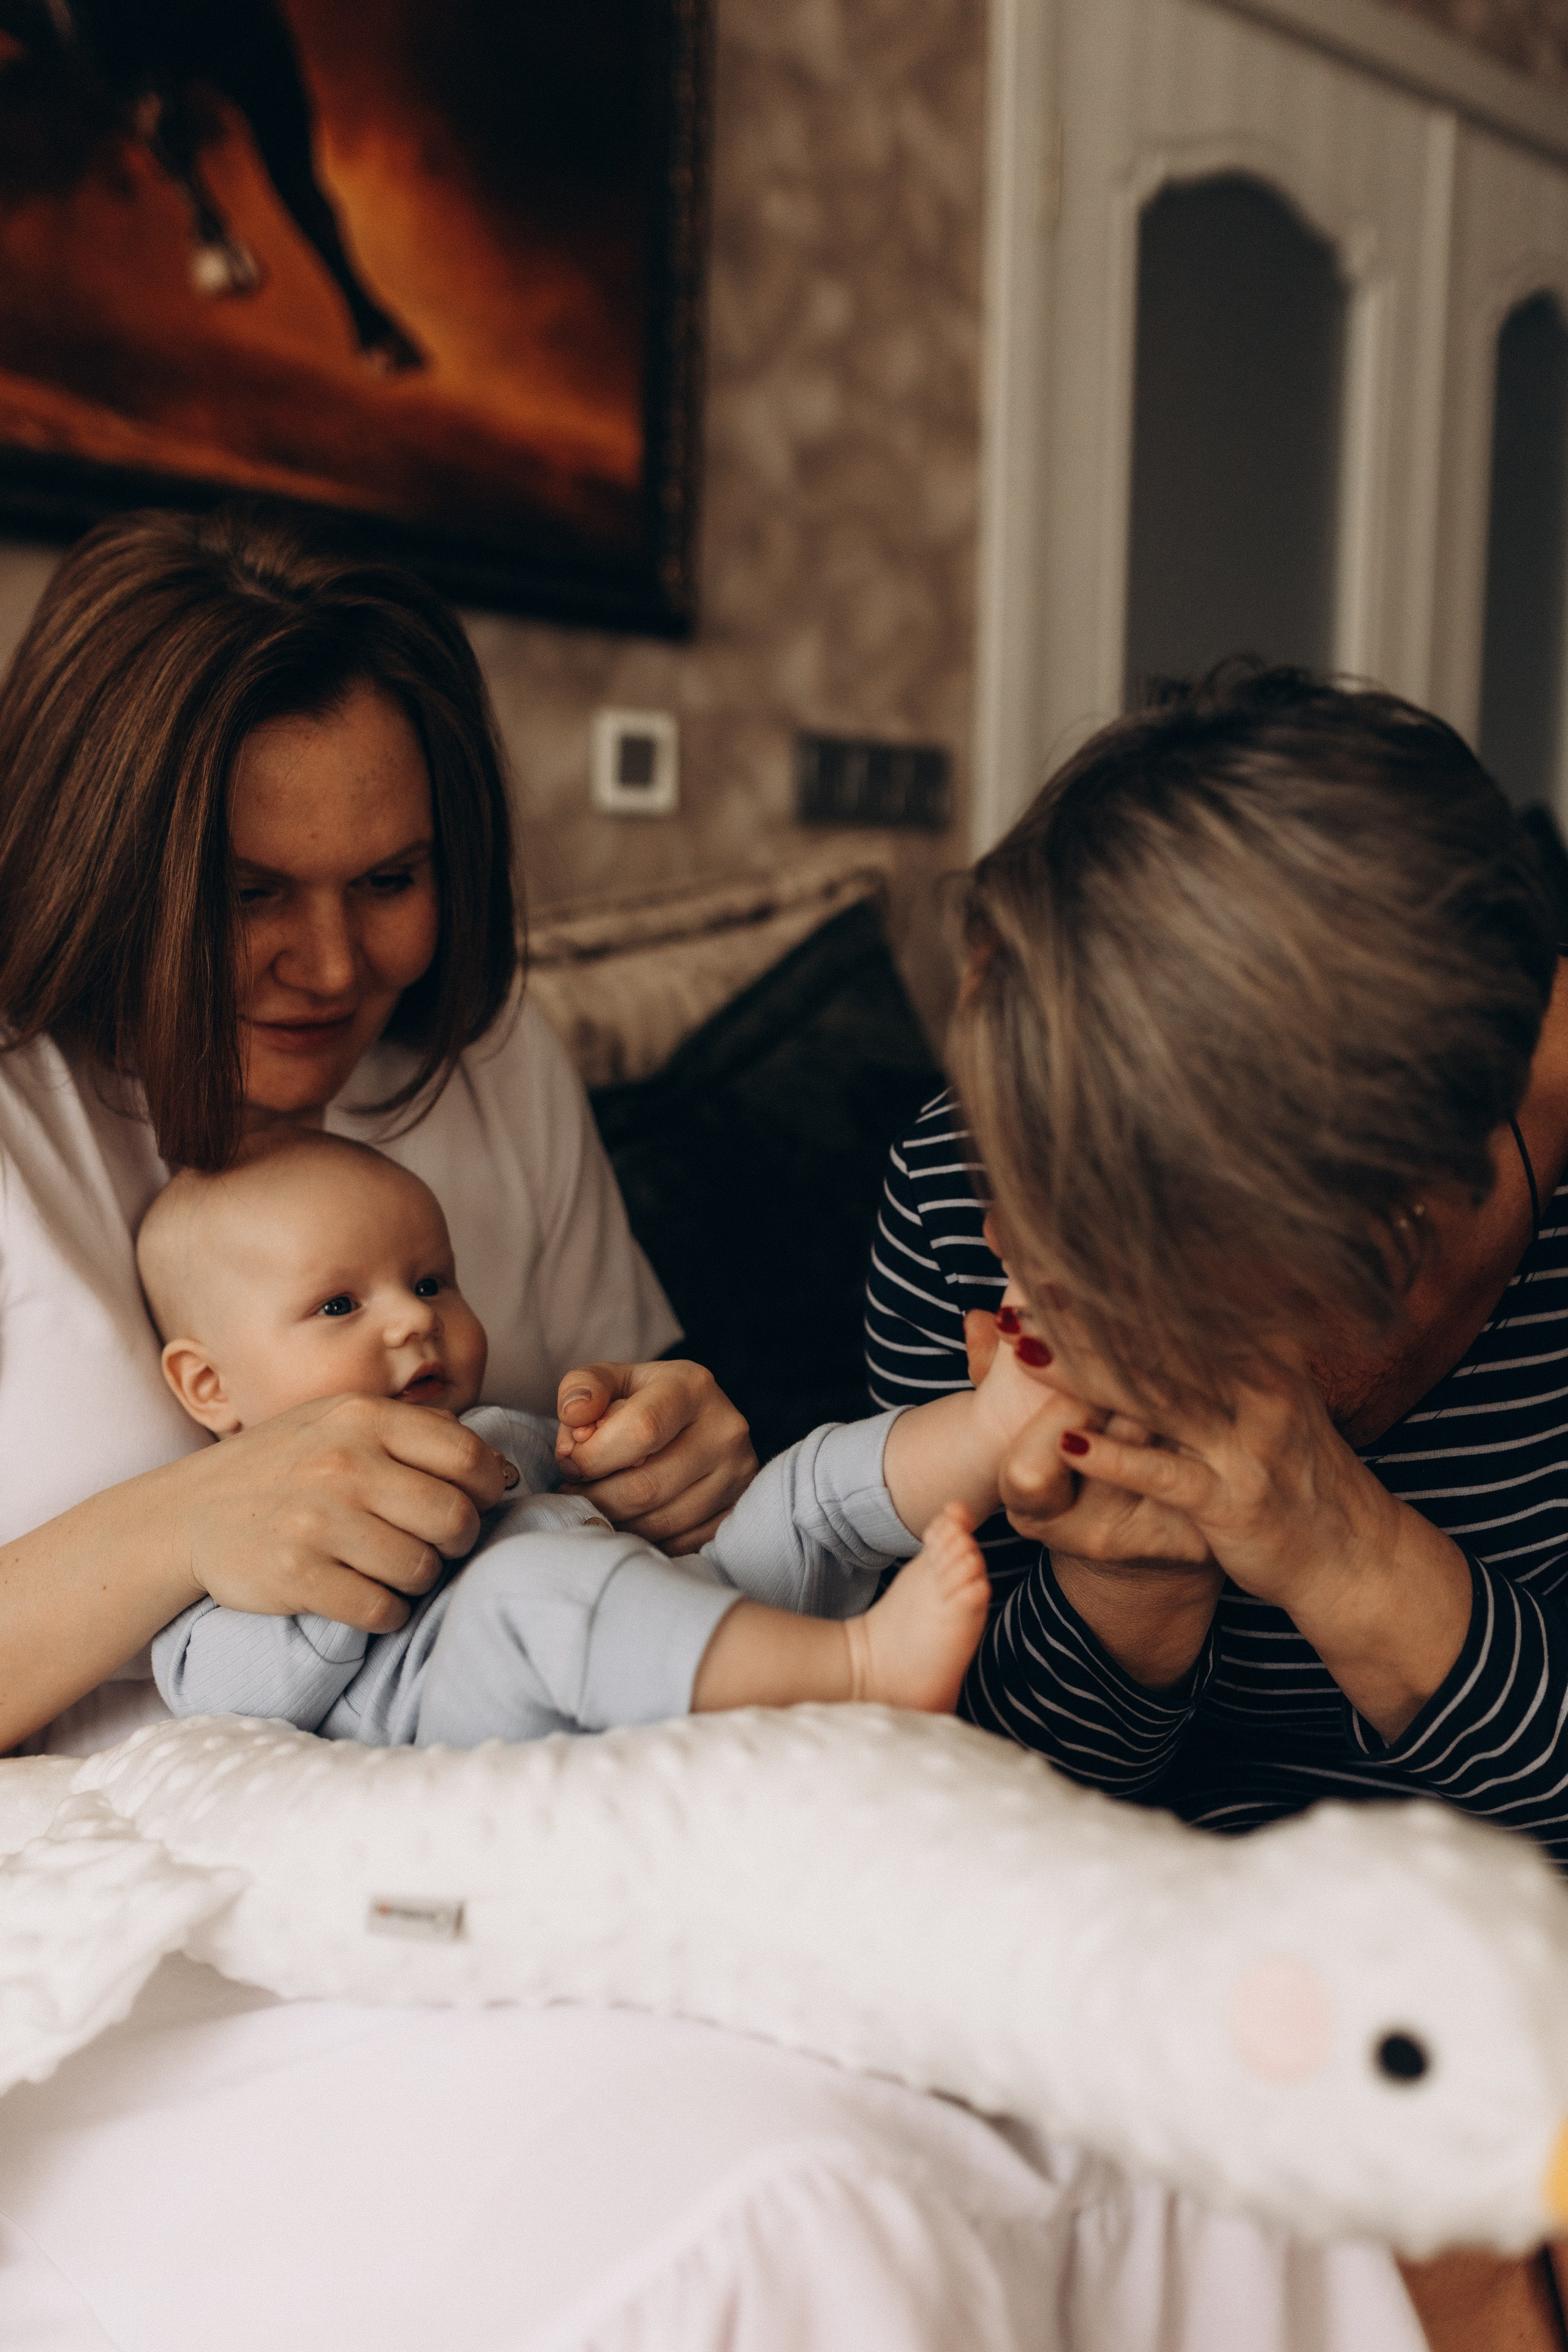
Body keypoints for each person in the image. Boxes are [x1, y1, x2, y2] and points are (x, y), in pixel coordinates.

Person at [0, 504, 756, 1760]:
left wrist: (679, 1455)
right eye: (249, 897)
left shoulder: (491, 1061)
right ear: (106, 866)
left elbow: (641, 1450)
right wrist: (190, 1524)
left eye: (390, 881)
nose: (338, 966)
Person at [868, 662, 1568, 1863]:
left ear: (1388, 1207)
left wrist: (1346, 1553)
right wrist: (1123, 1596)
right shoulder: (952, 1180)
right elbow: (947, 1824)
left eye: (1112, 1231)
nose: (1010, 1256)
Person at [140, 1128, 1020, 1740]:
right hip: (478, 1718)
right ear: (209, 1385)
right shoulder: (229, 1559)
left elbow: (611, 1524)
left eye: (433, 1282)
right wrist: (348, 1580)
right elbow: (228, 1702)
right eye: (340, 1305)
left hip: (669, 1617)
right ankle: (862, 1668)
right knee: (526, 1591)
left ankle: (1004, 1423)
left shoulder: (493, 1435)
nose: (414, 1319)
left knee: (800, 1485)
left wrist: (599, 1456)